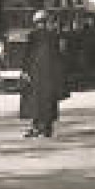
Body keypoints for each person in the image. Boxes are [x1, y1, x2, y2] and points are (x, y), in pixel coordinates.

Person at [22, 10, 66, 138]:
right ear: (46, 22)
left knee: (35, 100)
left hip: (36, 72)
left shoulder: (33, 35)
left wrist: (25, 70)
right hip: (50, 73)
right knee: (49, 99)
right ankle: (47, 128)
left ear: (36, 22)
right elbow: (59, 55)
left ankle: (36, 128)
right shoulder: (54, 35)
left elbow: (28, 55)